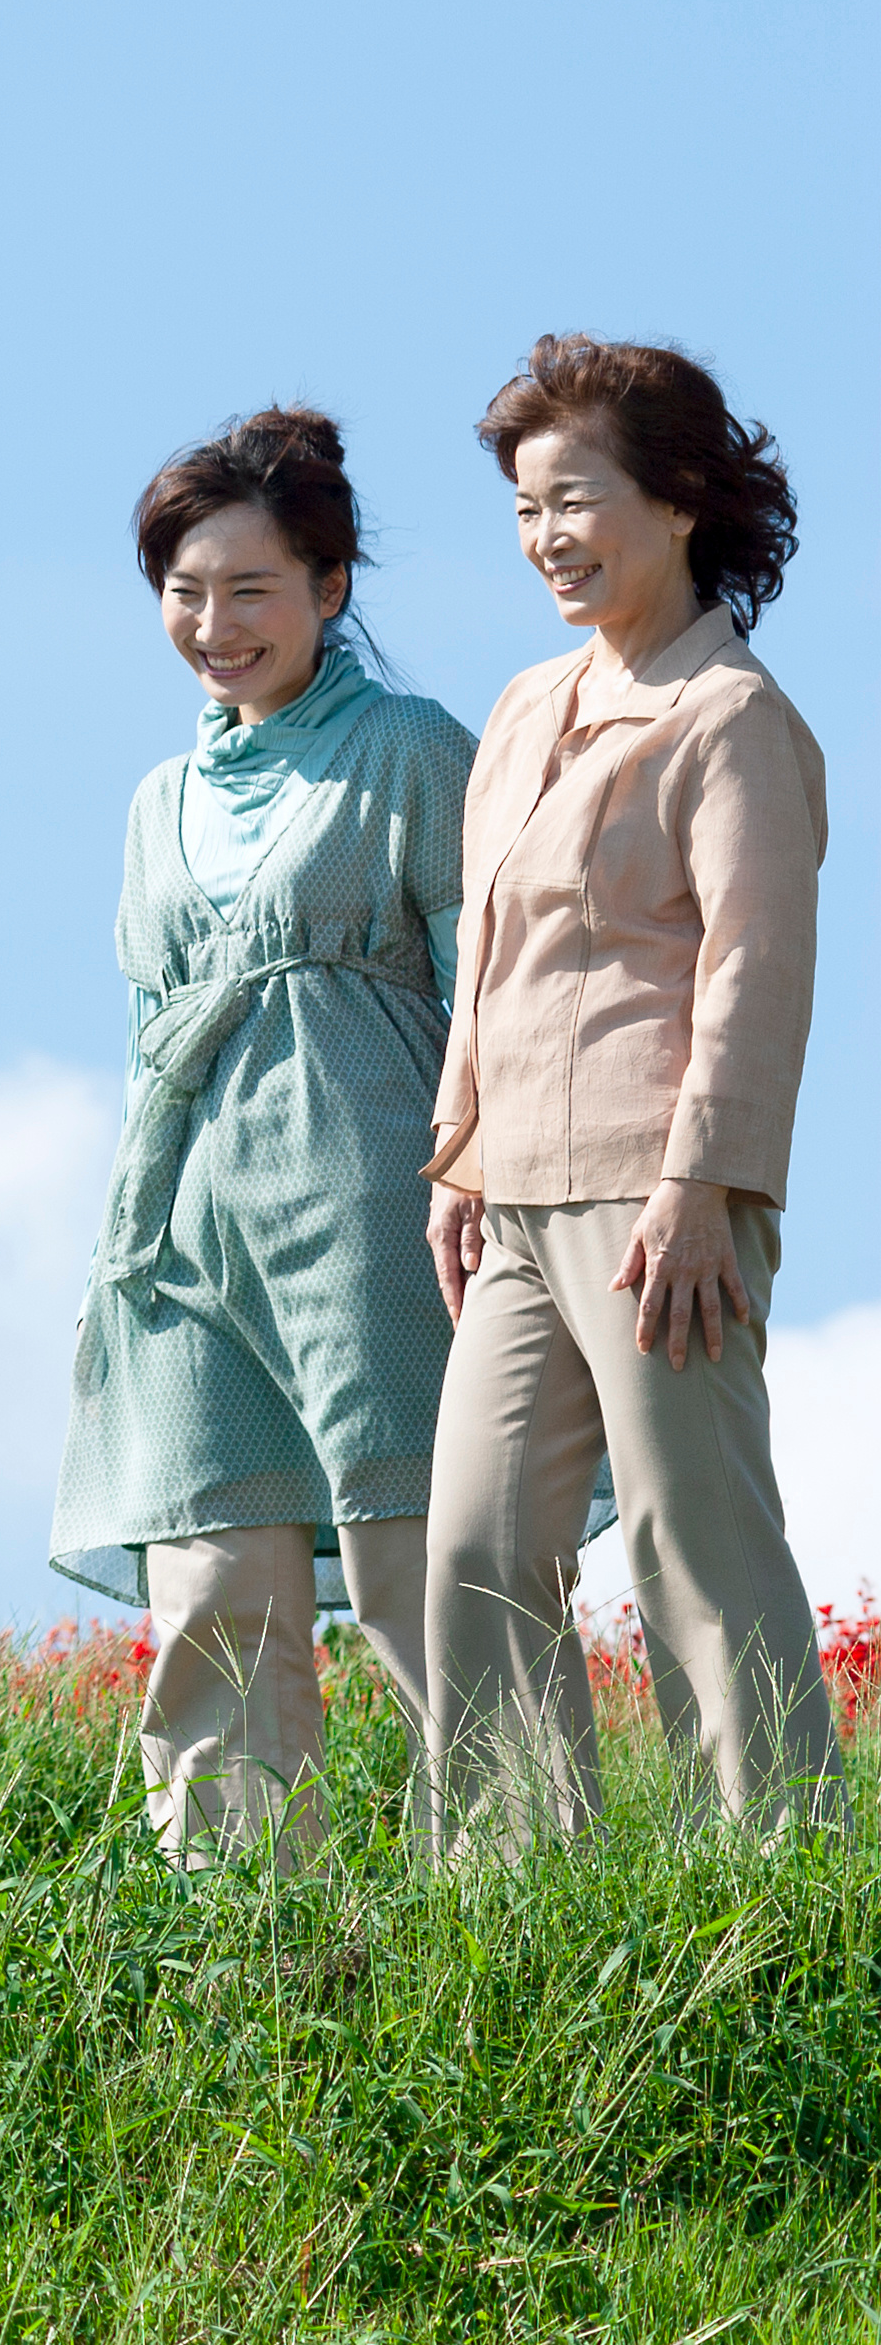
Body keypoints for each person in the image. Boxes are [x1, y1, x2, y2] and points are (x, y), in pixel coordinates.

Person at [47, 406, 488, 1866]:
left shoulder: (413, 749)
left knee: (415, 1564)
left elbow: (489, 980)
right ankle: (242, 1930)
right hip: (181, 1225)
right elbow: (143, 1031)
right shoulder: (155, 803)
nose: (214, 624)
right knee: (211, 1583)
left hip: (369, 1197)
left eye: (251, 590)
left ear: (330, 589)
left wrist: (478, 1170)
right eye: (185, 591)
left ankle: (505, 1902)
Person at [422, 336, 834, 1840]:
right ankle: (512, 1890)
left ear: (679, 497)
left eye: (574, 497)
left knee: (693, 1539)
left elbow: (755, 973)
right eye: (526, 506)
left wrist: (702, 1187)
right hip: (513, 1192)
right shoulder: (525, 707)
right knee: (472, 1541)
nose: (546, 536)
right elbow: (484, 952)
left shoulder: (732, 719)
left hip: (661, 1195)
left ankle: (775, 1880)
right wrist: (456, 1159)